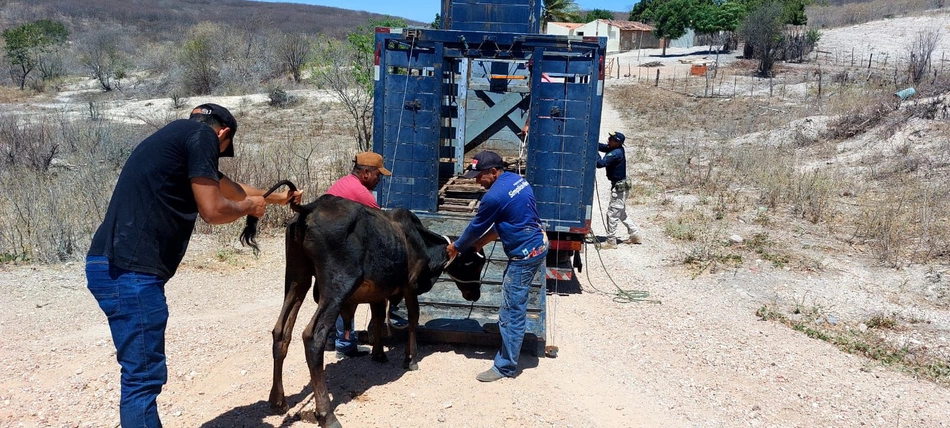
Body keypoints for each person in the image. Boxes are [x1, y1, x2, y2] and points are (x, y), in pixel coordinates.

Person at [86, 103, 303, 427]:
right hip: (131, 273)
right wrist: (248, 208)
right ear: (223, 134)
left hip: (109, 264)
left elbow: (231, 188)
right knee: (142, 381)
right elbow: (214, 209)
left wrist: (274, 198)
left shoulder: (176, 138)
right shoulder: (203, 138)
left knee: (139, 376)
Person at [447, 151, 548, 382]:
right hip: (538, 242)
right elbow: (507, 221)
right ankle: (506, 331)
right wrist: (480, 243)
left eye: (478, 176)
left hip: (524, 255)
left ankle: (506, 366)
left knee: (514, 308)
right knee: (510, 296)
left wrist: (458, 247)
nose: (475, 181)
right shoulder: (517, 181)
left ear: (493, 172)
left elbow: (475, 226)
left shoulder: (493, 197)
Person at [323, 151, 403, 359]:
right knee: (347, 295)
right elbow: (383, 225)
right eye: (378, 175)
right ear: (366, 173)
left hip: (327, 248)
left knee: (334, 295)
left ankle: (334, 339)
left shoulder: (343, 183)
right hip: (339, 251)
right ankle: (345, 344)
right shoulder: (360, 193)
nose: (379, 181)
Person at [596, 131, 641, 248]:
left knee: (612, 214)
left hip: (619, 188)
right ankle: (635, 235)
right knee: (621, 213)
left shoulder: (616, 153)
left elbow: (600, 164)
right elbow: (603, 147)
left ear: (617, 142)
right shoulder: (616, 148)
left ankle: (611, 241)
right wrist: (593, 144)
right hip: (621, 186)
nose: (608, 140)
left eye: (611, 139)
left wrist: (593, 152)